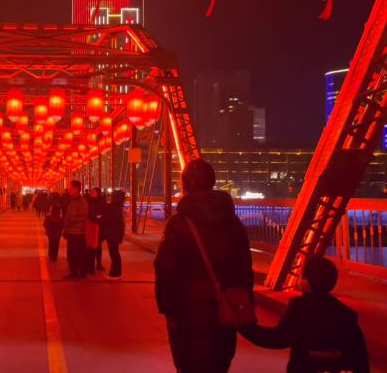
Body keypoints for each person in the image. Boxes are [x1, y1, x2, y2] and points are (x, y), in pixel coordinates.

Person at [154, 159, 253, 373]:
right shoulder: (233, 222)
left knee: (188, 365)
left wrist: (166, 307)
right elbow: (245, 269)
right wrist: (244, 305)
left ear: (185, 184)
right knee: (218, 364)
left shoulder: (178, 223)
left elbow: (165, 269)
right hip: (224, 311)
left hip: (186, 313)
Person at [240, 257, 369, 373]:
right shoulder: (346, 316)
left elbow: (277, 339)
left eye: (301, 275)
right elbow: (360, 359)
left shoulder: (300, 309)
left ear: (306, 282)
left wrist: (244, 326)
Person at [63, 180, 88, 279]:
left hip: (74, 231)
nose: (69, 189)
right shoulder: (83, 201)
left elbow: (72, 218)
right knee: (81, 252)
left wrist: (65, 227)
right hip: (81, 231)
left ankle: (74, 272)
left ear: (76, 189)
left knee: (73, 253)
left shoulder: (75, 202)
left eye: (70, 187)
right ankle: (82, 272)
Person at [100, 189, 125, 279]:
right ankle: (117, 272)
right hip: (117, 233)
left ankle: (114, 273)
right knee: (115, 253)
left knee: (113, 253)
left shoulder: (111, 207)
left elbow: (104, 219)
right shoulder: (119, 207)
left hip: (111, 234)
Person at [86, 187, 105, 273]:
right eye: (91, 191)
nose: (92, 193)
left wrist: (96, 218)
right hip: (90, 226)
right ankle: (90, 265)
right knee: (90, 246)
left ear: (98, 193)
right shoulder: (88, 201)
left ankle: (98, 263)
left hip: (98, 226)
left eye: (94, 192)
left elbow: (103, 214)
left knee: (98, 246)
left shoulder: (101, 202)